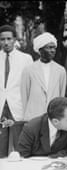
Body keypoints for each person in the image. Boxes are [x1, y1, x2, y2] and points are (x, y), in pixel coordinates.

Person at [0, 25, 33, 158]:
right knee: (1, 148)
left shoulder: (26, 59)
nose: (6, 42)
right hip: (1, 106)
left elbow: (30, 85)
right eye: (2, 39)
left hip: (18, 106)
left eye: (9, 38)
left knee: (20, 146)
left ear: (14, 40)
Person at [21, 32, 67, 121]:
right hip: (33, 117)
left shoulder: (61, 71)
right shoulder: (28, 70)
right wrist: (26, 118)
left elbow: (62, 97)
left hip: (54, 117)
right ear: (40, 49)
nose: (53, 50)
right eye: (49, 47)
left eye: (54, 47)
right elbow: (24, 96)